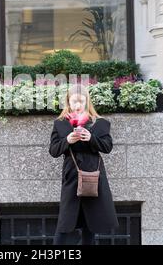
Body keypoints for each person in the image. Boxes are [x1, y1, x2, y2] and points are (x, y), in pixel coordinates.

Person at [49, 84, 119, 245]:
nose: (78, 105)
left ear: (87, 101)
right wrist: (67, 140)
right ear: (68, 102)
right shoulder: (61, 124)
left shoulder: (99, 123)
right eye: (74, 101)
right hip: (72, 178)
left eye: (81, 101)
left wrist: (91, 138)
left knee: (91, 224)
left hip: (93, 178)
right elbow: (53, 151)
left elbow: (107, 147)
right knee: (65, 224)